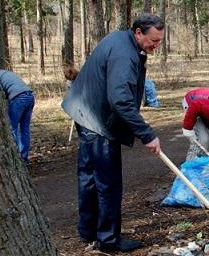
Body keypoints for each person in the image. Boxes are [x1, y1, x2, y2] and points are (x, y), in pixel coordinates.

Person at [61, 14, 164, 252]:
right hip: (97, 122)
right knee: (107, 182)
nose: (156, 46)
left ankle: (87, 230)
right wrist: (147, 134)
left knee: (89, 176)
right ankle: (108, 239)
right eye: (153, 41)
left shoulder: (121, 40)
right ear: (138, 32)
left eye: (159, 41)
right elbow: (120, 100)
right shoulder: (125, 55)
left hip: (85, 112)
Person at [0, 69, 35, 164]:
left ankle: (16, 158)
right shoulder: (6, 73)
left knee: (12, 128)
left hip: (18, 98)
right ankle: (24, 158)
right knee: (24, 129)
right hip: (30, 96)